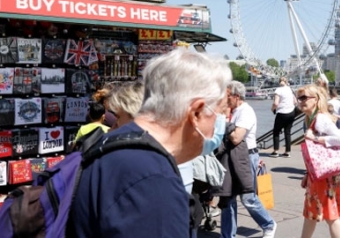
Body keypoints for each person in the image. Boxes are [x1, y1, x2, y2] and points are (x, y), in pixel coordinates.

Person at [70, 48, 232, 237]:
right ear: (196, 113)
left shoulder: (113, 144)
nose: (223, 121)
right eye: (220, 112)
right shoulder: (155, 184)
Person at [220, 81, 277, 238]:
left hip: (246, 157)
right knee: (228, 197)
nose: (224, 100)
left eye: (226, 96)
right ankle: (227, 235)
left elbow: (236, 137)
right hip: (229, 157)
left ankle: (269, 224)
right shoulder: (233, 110)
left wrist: (224, 120)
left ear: (236, 96)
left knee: (248, 197)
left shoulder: (246, 111)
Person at [298, 84, 340, 238]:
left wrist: (316, 138)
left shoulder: (320, 119)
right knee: (311, 213)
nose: (301, 101)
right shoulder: (310, 118)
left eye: (305, 97)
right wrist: (308, 173)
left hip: (325, 175)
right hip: (318, 174)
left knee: (331, 215)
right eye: (300, 98)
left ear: (316, 99)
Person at [271, 76, 296, 158]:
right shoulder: (290, 89)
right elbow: (295, 101)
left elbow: (276, 103)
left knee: (276, 132)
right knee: (287, 132)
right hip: (291, 112)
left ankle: (276, 151)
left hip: (281, 113)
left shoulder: (278, 90)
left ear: (279, 82)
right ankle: (287, 152)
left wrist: (272, 109)